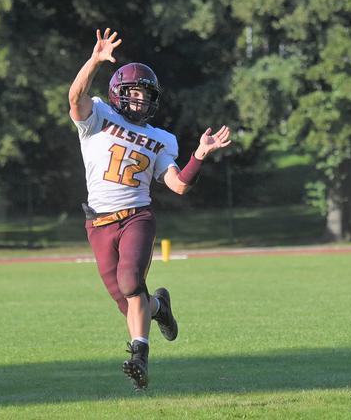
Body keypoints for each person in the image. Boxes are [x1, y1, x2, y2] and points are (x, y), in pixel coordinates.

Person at [68, 28, 231, 390]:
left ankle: (139, 356)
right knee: (129, 303)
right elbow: (75, 95)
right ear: (119, 94)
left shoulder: (161, 138)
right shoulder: (96, 116)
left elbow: (178, 185)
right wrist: (94, 60)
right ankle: (161, 307)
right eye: (135, 94)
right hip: (98, 223)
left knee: (130, 283)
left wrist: (199, 155)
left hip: (136, 217)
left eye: (146, 96)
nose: (141, 101)